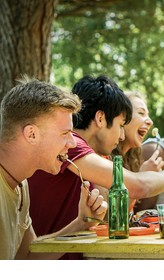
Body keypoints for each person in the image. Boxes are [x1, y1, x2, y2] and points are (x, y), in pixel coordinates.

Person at [27, 75, 164, 255]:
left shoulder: (93, 154)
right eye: (120, 125)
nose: (121, 136)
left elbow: (110, 214)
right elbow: (137, 186)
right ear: (100, 118)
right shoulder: (71, 145)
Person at [0, 77, 107, 260]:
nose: (72, 143)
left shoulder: (20, 185)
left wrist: (80, 224)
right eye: (65, 134)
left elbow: (27, 257)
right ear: (31, 134)